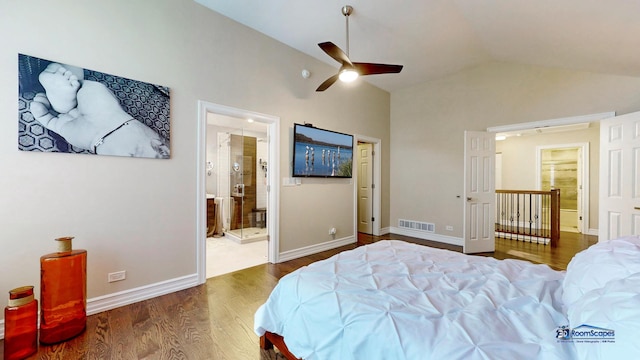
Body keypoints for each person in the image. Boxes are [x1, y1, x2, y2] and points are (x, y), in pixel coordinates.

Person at [29, 63, 170, 158]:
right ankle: (66, 103)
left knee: (81, 84)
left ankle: (68, 97)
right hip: (92, 139)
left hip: (109, 118)